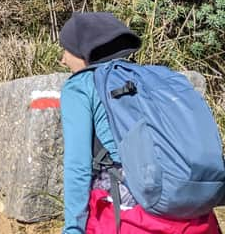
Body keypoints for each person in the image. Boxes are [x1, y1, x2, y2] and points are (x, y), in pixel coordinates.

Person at [58, 12, 221, 234]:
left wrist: (73, 229)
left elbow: (77, 165)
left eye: (66, 50)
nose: (63, 59)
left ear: (83, 52)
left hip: (130, 215)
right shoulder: (155, 77)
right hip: (193, 213)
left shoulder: (80, 86)